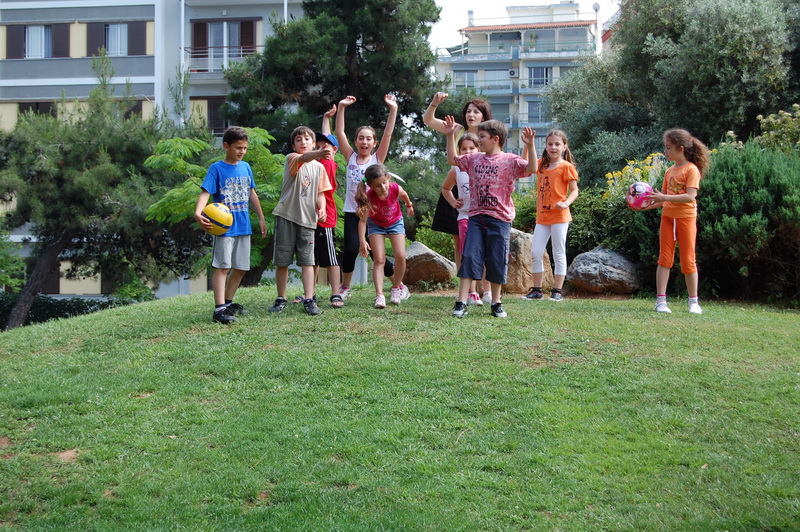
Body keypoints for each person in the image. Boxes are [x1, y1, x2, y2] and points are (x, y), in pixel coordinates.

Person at [445, 116, 537, 319]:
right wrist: (450, 135)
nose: (479, 140)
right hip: (476, 217)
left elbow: (532, 168)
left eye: (482, 137)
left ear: (495, 139)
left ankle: (496, 303)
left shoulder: (510, 160)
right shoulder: (474, 159)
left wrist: (530, 146)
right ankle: (461, 301)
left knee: (496, 260)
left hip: (500, 219)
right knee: (469, 256)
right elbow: (452, 159)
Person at [194, 126, 267, 324]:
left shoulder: (246, 167)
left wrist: (261, 217)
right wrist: (198, 212)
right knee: (223, 267)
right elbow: (205, 192)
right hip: (224, 228)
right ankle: (219, 310)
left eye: (244, 148)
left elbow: (252, 192)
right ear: (226, 146)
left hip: (243, 225)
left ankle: (227, 303)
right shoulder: (216, 168)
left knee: (241, 268)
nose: (242, 152)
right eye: (238, 148)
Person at [424, 92, 493, 301]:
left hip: (481, 193)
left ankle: (486, 289)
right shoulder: (457, 129)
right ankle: (468, 288)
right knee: (460, 243)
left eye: (476, 112)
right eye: (468, 111)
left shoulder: (490, 135)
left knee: (484, 244)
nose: (471, 115)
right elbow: (428, 120)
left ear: (484, 115)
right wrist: (435, 103)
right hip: (457, 190)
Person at [335, 94, 398, 300]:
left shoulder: (376, 158)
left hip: (373, 215)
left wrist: (393, 109)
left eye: (368, 138)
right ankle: (345, 287)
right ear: (355, 141)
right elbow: (339, 132)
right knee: (351, 249)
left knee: (376, 254)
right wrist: (341, 107)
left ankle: (398, 285)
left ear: (374, 143)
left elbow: (388, 134)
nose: (364, 141)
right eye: (361, 138)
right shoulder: (350, 157)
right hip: (352, 212)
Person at [643, 128, 710, 315]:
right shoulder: (669, 171)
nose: (666, 151)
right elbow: (663, 199)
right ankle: (661, 301)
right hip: (668, 218)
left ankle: (693, 302)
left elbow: (690, 196)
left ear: (680, 149)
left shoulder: (691, 169)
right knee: (664, 259)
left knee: (688, 260)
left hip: (686, 218)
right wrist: (643, 206)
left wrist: (663, 197)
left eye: (668, 147)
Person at [269, 126, 332, 316]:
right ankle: (281, 298)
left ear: (313, 143)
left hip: (308, 220)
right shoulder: (292, 158)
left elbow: (320, 192)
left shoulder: (320, 168)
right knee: (282, 260)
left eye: (307, 139)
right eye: (298, 140)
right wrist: (318, 153)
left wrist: (321, 208)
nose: (303, 142)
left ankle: (309, 299)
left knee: (308, 262)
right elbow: (304, 158)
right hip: (286, 216)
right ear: (293, 145)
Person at [290, 105, 344, 309]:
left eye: (325, 147)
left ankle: (336, 293)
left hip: (325, 217)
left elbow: (327, 143)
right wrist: (326, 118)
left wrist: (328, 121)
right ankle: (309, 293)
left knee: (330, 258)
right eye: (317, 146)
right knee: (311, 259)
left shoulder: (326, 164)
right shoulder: (314, 162)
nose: (320, 149)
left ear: (334, 151)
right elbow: (323, 141)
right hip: (308, 216)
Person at [522, 129, 579, 302]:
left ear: (564, 147)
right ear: (546, 146)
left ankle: (557, 291)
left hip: (560, 217)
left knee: (558, 252)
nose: (553, 147)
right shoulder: (540, 165)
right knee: (536, 252)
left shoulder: (566, 167)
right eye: (550, 144)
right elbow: (524, 165)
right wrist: (528, 145)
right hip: (542, 217)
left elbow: (574, 191)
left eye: (557, 144)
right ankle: (537, 290)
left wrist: (566, 203)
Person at [355, 164, 414, 308]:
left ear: (388, 179)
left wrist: (409, 205)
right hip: (376, 225)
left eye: (384, 182)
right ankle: (379, 295)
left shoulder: (394, 188)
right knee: (379, 259)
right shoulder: (368, 197)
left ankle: (396, 288)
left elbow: (404, 194)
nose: (383, 187)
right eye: (377, 186)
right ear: (371, 186)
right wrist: (362, 240)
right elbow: (362, 221)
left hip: (395, 222)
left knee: (400, 256)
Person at [440, 133, 482, 305]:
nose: (468, 151)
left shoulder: (484, 166)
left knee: (483, 253)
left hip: (483, 216)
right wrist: (453, 202)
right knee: (468, 254)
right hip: (465, 216)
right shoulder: (457, 169)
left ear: (479, 149)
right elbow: (446, 188)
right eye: (464, 149)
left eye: (472, 148)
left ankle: (486, 291)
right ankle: (471, 292)